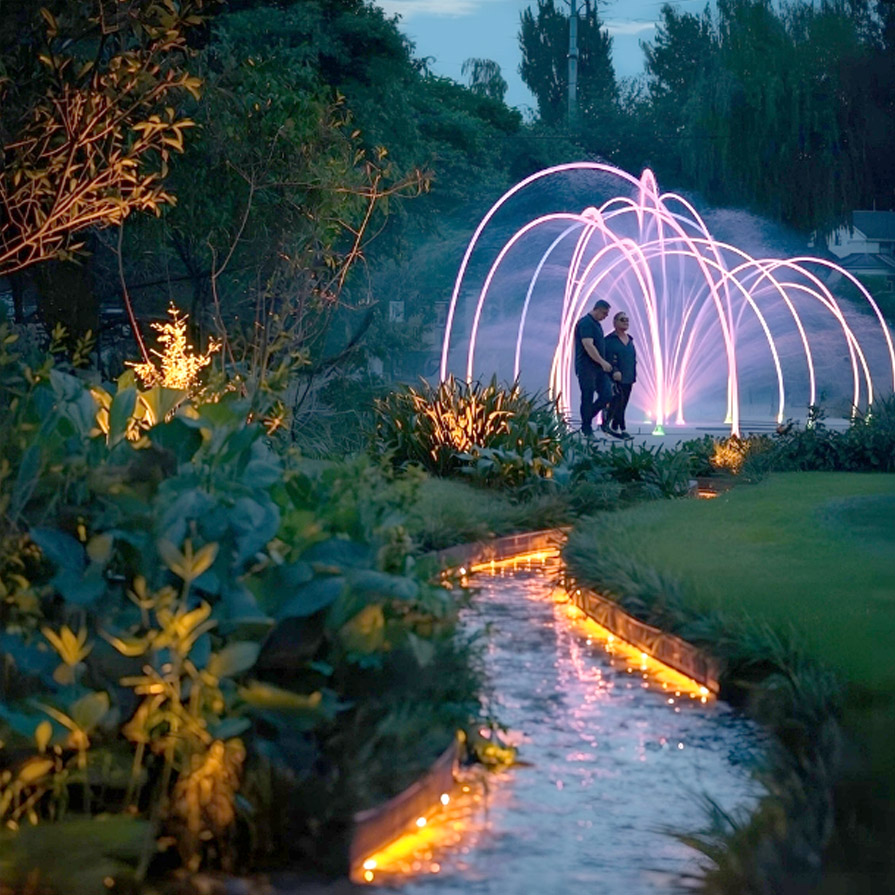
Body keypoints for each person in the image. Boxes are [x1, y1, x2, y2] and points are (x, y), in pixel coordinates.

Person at [574, 299, 613, 437]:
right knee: (587, 396)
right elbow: (588, 345)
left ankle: (586, 420)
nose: (605, 317)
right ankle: (587, 428)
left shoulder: (596, 324)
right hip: (586, 367)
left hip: (598, 368)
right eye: (604, 313)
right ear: (596, 309)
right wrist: (602, 362)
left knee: (607, 394)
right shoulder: (586, 323)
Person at [604, 311, 637, 439]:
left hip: (629, 378)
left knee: (623, 403)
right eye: (622, 319)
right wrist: (614, 371)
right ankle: (619, 428)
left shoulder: (630, 340)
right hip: (615, 378)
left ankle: (614, 427)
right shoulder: (610, 340)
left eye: (627, 320)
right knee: (617, 402)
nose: (625, 322)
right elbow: (607, 358)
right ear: (615, 322)